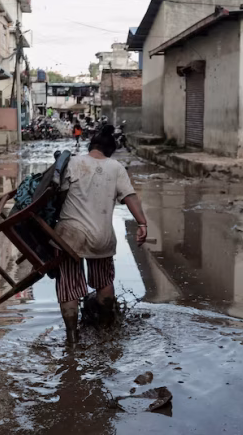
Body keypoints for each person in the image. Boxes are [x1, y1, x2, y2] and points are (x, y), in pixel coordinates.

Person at [54, 124, 148, 343]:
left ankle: (72, 338)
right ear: (110, 151)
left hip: (69, 235)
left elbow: (55, 195)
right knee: (104, 282)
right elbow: (130, 197)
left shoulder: (73, 162)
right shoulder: (116, 167)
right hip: (101, 237)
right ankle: (106, 333)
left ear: (91, 146)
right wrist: (142, 223)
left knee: (68, 287)